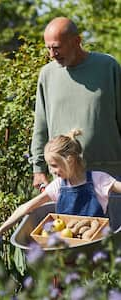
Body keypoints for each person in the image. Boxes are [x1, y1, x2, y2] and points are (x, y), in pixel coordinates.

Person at [30, 16, 121, 190]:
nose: (52, 54)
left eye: (56, 48)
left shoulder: (108, 67)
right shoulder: (47, 75)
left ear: (76, 41)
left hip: (110, 173)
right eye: (48, 48)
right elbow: (40, 127)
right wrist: (38, 169)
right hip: (66, 176)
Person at [0, 129, 121, 237]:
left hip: (96, 245)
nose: (51, 171)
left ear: (69, 160)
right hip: (64, 247)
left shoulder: (98, 179)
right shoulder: (58, 186)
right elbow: (26, 207)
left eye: (54, 165)